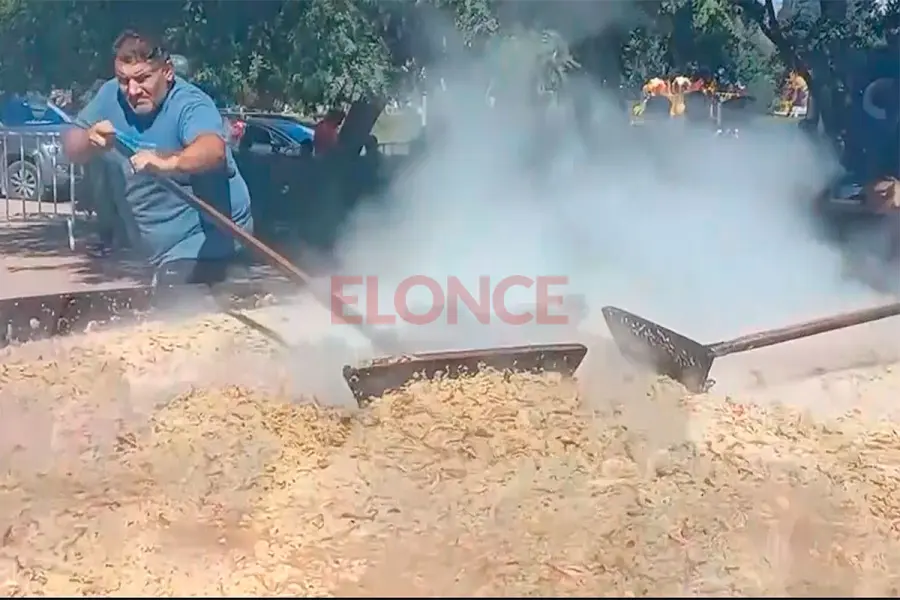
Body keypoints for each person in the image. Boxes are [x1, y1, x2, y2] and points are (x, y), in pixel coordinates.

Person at [62, 29, 253, 289]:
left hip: (212, 240)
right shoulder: (110, 96)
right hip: (159, 254)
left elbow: (212, 150)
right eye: (123, 80)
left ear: (167, 72)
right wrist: (88, 139)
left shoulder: (190, 103)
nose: (132, 90)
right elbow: (71, 144)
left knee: (176, 307)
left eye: (143, 79)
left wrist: (167, 162)